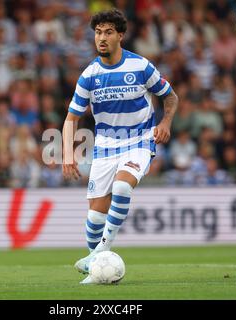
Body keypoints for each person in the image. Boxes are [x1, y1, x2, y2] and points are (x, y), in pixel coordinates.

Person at [61, 9, 178, 284]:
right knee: (94, 217)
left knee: (123, 186)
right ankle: (96, 268)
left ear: (120, 36)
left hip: (138, 140)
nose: (102, 38)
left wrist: (166, 123)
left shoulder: (140, 67)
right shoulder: (89, 75)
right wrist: (68, 155)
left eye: (108, 32)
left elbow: (170, 97)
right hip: (104, 146)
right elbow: (71, 118)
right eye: (98, 32)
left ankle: (100, 252)